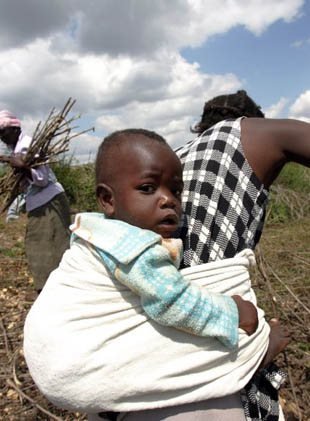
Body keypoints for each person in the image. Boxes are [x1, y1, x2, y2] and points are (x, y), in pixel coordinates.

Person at [114, 90, 310, 420]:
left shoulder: (170, 162)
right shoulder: (257, 133)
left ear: (201, 126)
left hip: (134, 368)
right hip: (202, 386)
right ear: (251, 119)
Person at [23, 129, 282, 416]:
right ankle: (256, 355)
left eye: (175, 190)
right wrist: (233, 312)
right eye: (148, 188)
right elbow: (174, 303)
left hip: (44, 353)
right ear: (107, 199)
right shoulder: (134, 247)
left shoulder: (93, 230)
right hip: (67, 368)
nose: (168, 200)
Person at [0, 110, 71, 295]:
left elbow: (42, 179)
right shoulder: (18, 148)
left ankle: (53, 292)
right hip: (41, 203)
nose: (1, 136)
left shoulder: (28, 145)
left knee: (46, 247)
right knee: (49, 246)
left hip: (50, 203)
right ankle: (53, 291)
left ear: (15, 128)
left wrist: (23, 167)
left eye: (3, 131)